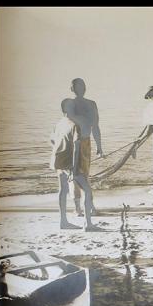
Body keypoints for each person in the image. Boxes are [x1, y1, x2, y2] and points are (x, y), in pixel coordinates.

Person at [50, 99, 99, 231]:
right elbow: (77, 148)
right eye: (73, 106)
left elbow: (52, 140)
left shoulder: (59, 123)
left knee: (63, 190)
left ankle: (63, 222)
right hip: (69, 164)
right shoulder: (75, 125)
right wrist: (74, 169)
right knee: (87, 191)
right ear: (69, 109)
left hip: (58, 161)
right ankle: (87, 224)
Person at [67, 78, 103, 217]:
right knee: (83, 175)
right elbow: (95, 126)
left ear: (72, 89)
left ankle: (79, 208)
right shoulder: (91, 104)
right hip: (85, 141)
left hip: (74, 142)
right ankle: (90, 206)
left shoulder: (70, 104)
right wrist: (99, 146)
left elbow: (67, 125)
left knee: (74, 175)